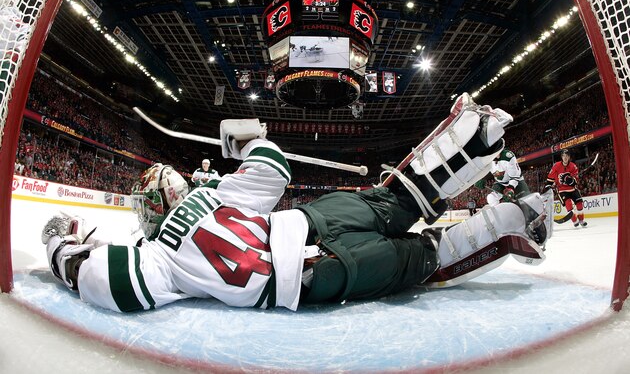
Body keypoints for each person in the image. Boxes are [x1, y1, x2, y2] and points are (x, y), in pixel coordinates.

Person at [41, 95, 553, 313]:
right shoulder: (216, 193)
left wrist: (62, 245)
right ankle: (476, 137)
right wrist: (246, 142)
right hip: (311, 218)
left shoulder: (155, 255)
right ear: (179, 186)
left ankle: (514, 222)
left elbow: (104, 281)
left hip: (311, 275)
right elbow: (273, 167)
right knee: (398, 197)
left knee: (425, 257)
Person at [544, 148, 587, 227]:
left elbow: (576, 179)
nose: (565, 157)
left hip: (573, 189)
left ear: (569, 157)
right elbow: (550, 177)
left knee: (579, 204)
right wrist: (548, 184)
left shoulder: (573, 166)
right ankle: (575, 221)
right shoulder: (556, 166)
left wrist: (572, 181)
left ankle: (581, 220)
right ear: (561, 157)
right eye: (563, 156)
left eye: (567, 156)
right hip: (562, 190)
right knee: (568, 205)